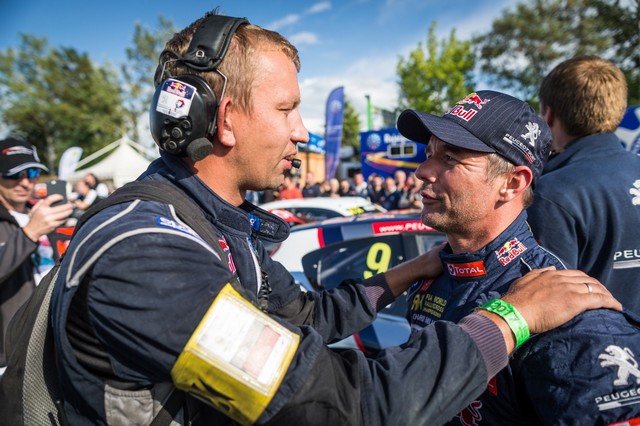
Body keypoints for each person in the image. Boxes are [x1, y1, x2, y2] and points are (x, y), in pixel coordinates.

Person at [48, 12, 620, 426]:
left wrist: (403, 275)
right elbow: (338, 403)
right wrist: (512, 316)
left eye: (453, 157)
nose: (302, 132)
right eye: (287, 109)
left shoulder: (217, 229)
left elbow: (301, 318)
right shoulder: (151, 259)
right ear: (224, 121)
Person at [397, 90, 640, 424]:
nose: (423, 171)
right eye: (429, 153)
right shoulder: (432, 278)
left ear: (512, 183)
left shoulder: (569, 315)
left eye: (450, 158)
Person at [527, 55, 640, 315]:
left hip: (602, 351)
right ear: (619, 112)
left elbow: (547, 305)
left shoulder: (552, 193)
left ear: (549, 115)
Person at [0, 137, 73, 375]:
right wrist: (30, 233)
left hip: (50, 341)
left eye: (31, 173)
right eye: (14, 175)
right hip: (8, 353)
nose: (24, 183)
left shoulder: (40, 213)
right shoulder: (33, 222)